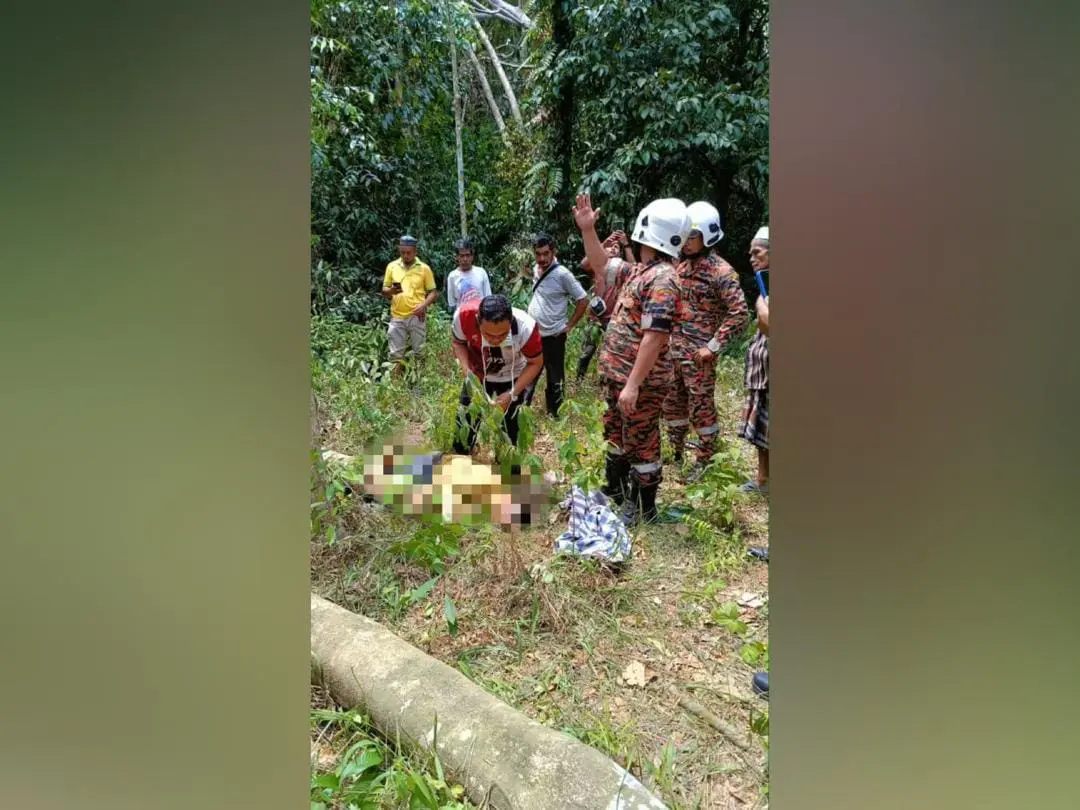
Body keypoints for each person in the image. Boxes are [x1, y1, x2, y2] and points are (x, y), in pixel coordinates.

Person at [573, 193, 691, 526]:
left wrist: (633, 386)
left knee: (642, 440)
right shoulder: (641, 271)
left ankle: (643, 507)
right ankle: (616, 488)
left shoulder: (664, 279)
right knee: (615, 433)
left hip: (639, 383)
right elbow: (601, 264)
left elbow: (655, 337)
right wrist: (587, 230)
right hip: (619, 378)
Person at [663, 201, 749, 482]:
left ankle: (705, 459)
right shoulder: (679, 266)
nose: (686, 242)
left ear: (708, 236)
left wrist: (713, 346)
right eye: (685, 235)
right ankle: (675, 451)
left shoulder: (721, 272)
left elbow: (739, 314)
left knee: (701, 407)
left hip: (699, 356)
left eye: (692, 236)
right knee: (672, 404)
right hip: (673, 351)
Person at [450, 294, 544, 455]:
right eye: (488, 334)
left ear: (511, 321)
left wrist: (512, 393)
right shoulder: (463, 316)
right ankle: (462, 457)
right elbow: (458, 343)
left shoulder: (526, 327)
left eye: (502, 334)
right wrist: (468, 375)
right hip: (478, 373)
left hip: (513, 376)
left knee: (511, 431)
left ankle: (507, 467)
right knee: (465, 423)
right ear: (477, 320)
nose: (495, 340)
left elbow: (536, 362)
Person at [525, 233, 589, 418]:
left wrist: (569, 325)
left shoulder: (563, 274)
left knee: (554, 376)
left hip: (554, 335)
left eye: (546, 253)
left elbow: (583, 300)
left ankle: (555, 414)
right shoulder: (536, 269)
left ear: (553, 252)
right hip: (534, 333)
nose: (542, 258)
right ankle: (521, 411)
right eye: (538, 254)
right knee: (529, 372)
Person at [575, 231, 634, 380]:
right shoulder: (598, 265)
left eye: (616, 247)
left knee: (612, 354)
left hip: (615, 318)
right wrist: (605, 243)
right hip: (595, 317)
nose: (614, 248)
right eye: (611, 247)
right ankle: (578, 381)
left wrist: (626, 244)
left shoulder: (623, 269)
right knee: (586, 353)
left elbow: (635, 271)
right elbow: (583, 264)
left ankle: (606, 382)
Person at [738, 226, 770, 494]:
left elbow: (768, 322)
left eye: (757, 252)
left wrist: (760, 303)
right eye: (750, 253)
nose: (751, 257)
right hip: (763, 372)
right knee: (762, 429)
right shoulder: (765, 284)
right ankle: (763, 479)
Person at [382, 235, 437, 369]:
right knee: (396, 355)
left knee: (420, 352)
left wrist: (423, 305)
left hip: (417, 316)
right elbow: (384, 289)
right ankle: (397, 385)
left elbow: (433, 292)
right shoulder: (392, 266)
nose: (405, 256)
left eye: (408, 253)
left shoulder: (424, 269)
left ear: (415, 252)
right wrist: (391, 291)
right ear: (399, 251)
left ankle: (420, 383)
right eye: (402, 253)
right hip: (397, 316)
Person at [445, 238, 492, 314]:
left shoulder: (481, 272)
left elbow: (488, 297)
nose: (465, 259)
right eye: (462, 256)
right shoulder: (452, 276)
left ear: (472, 256)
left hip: (481, 317)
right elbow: (452, 303)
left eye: (467, 255)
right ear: (457, 257)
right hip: (462, 317)